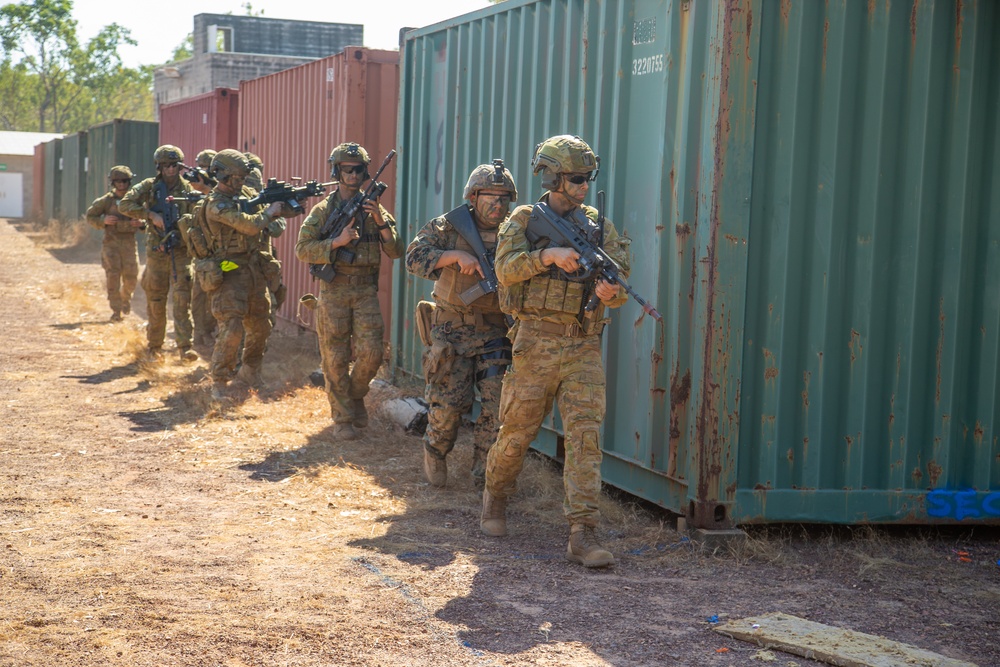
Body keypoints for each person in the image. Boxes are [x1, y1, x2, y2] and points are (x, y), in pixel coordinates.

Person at [481, 135, 631, 569]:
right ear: (553, 178)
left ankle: (582, 533)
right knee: (517, 432)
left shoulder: (599, 225)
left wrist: (611, 293)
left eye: (589, 178)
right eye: (577, 178)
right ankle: (495, 498)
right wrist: (548, 255)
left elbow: (619, 287)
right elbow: (505, 270)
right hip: (536, 342)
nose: (585, 186)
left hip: (582, 343)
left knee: (585, 438)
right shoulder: (525, 220)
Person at [405, 162, 517, 487]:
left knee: (497, 408)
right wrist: (454, 257)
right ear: (472, 196)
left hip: (497, 331)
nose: (497, 205)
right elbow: (413, 256)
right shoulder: (449, 228)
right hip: (452, 331)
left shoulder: (515, 231)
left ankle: (486, 476)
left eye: (503, 198)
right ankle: (435, 451)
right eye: (490, 197)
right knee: (448, 407)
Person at [295, 142, 404, 440]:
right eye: (347, 170)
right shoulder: (323, 211)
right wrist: (336, 242)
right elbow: (302, 250)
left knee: (372, 353)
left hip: (365, 291)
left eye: (358, 170)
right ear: (336, 171)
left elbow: (396, 251)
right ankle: (342, 417)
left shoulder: (374, 209)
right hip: (334, 291)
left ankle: (356, 395)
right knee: (335, 357)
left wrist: (380, 221)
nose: (353, 175)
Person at [199, 149, 287, 399]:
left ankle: (250, 370)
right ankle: (219, 380)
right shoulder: (216, 203)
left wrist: (289, 202)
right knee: (232, 327)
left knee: (261, 325)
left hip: (253, 268)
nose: (241, 182)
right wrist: (269, 212)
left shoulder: (246, 194)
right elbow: (249, 225)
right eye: (237, 177)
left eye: (243, 177)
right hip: (228, 269)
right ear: (223, 175)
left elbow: (273, 219)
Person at [118, 145, 199, 361]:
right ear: (159, 166)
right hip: (157, 251)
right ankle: (155, 347)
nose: (171, 169)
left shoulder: (188, 191)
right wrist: (149, 215)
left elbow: (197, 218)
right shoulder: (149, 187)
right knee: (156, 299)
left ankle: (184, 347)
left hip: (181, 251)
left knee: (182, 300)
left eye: (174, 165)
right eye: (166, 165)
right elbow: (124, 205)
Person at [86, 165, 143, 322]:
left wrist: (141, 223)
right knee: (113, 277)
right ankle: (116, 310)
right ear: (113, 182)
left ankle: (125, 298)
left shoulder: (135, 201)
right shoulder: (105, 201)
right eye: (118, 181)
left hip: (129, 245)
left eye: (125, 181)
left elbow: (148, 218)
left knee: (132, 277)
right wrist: (102, 221)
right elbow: (90, 216)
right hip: (111, 245)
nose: (122, 184)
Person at [185, 148, 218, 351]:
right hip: (201, 253)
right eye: (201, 167)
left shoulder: (219, 190)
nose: (203, 172)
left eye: (207, 168)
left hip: (219, 253)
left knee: (215, 296)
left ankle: (211, 333)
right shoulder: (192, 189)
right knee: (197, 297)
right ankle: (199, 334)